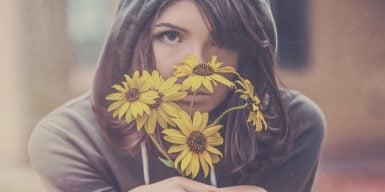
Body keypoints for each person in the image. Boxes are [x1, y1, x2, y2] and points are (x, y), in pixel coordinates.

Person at [28, 0, 325, 192]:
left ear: (248, 52)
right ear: (131, 41)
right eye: (171, 36)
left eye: (224, 40)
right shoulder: (68, 140)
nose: (198, 65)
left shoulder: (293, 125)